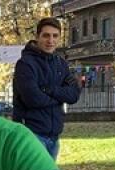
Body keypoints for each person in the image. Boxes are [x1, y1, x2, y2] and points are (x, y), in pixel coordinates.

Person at [12, 17, 79, 160]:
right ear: (37, 37)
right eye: (46, 35)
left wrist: (49, 90)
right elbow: (33, 99)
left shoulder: (61, 64)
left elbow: (74, 95)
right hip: (32, 135)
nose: (51, 40)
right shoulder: (25, 64)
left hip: (54, 138)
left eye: (55, 36)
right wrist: (60, 97)